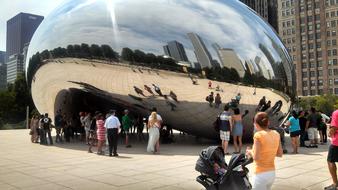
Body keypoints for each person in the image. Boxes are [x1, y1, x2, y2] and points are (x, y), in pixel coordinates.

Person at [246, 112, 283, 190]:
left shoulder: (258, 135)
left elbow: (256, 157)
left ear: (255, 124)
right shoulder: (276, 134)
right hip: (272, 173)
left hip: (260, 174)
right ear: (268, 122)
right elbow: (280, 153)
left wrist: (249, 151)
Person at [325, 110, 338, 190]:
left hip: (337, 142)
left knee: (330, 161)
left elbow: (334, 127)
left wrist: (329, 133)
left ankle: (335, 184)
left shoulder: (336, 113)